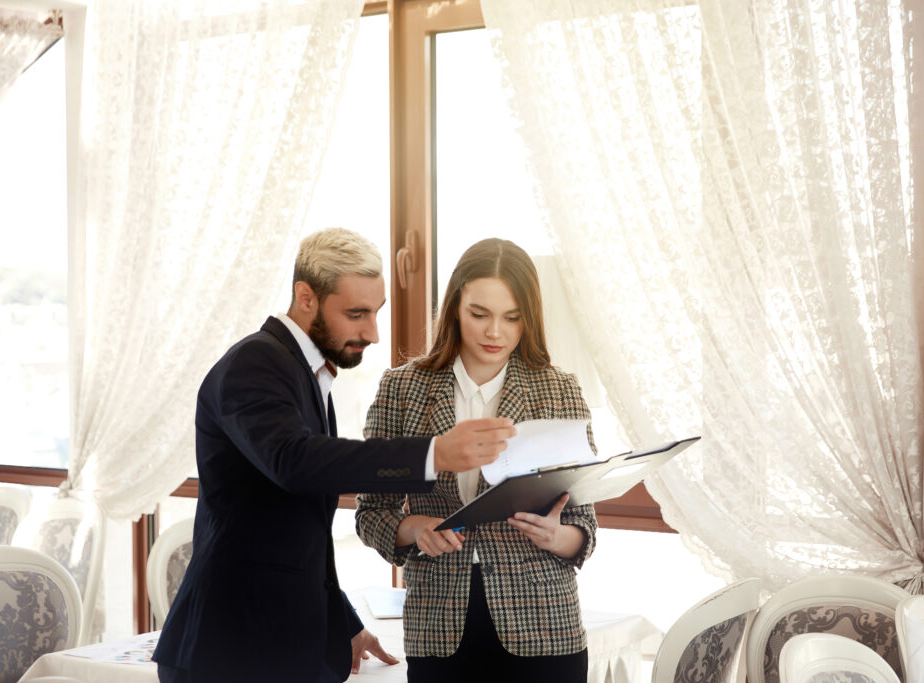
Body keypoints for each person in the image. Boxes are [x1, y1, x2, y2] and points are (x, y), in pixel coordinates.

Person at [152, 229, 516, 683]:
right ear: (306, 297)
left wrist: (342, 621)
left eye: (376, 312)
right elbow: (297, 463)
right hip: (234, 648)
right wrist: (433, 453)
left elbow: (291, 535)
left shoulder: (305, 374)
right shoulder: (255, 365)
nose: (373, 332)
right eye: (356, 314)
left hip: (278, 645)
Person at [355, 238, 598, 683]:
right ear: (454, 309)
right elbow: (371, 513)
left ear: (529, 318)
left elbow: (585, 529)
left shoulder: (559, 390)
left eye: (511, 318)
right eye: (480, 314)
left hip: (544, 628)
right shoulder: (401, 390)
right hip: (438, 628)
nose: (494, 333)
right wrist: (414, 529)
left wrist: (556, 536)